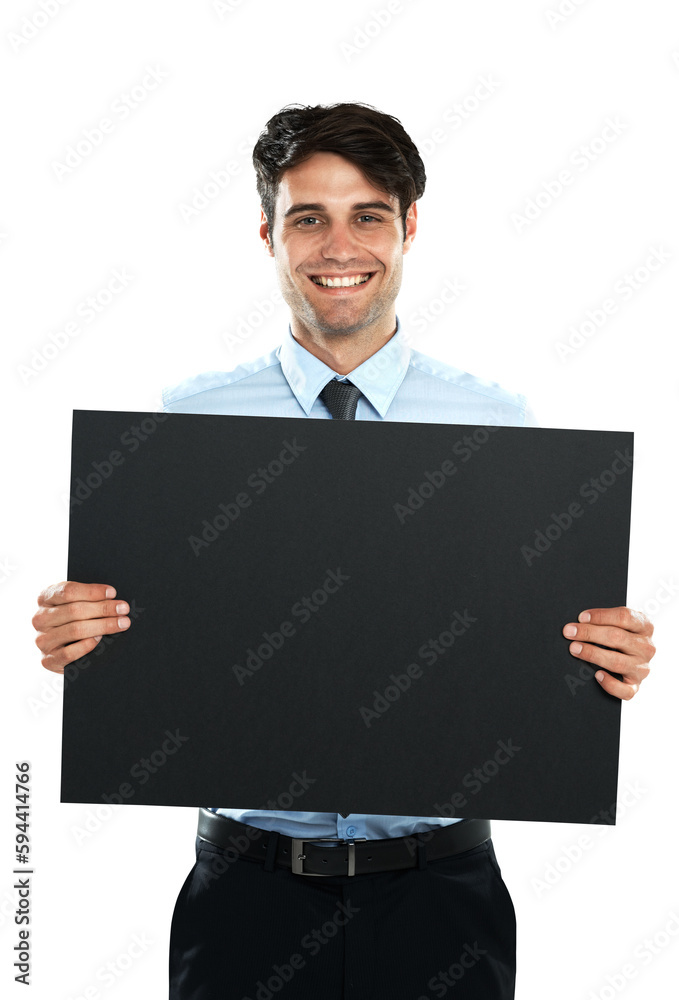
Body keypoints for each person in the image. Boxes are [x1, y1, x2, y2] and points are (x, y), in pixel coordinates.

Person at [32, 103, 655, 999]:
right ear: (267, 233)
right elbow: (154, 645)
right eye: (307, 217)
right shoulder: (185, 429)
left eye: (367, 215)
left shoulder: (499, 430)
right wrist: (80, 635)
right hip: (243, 899)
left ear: (408, 228)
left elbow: (533, 641)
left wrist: (606, 655)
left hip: (442, 897)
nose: (338, 246)